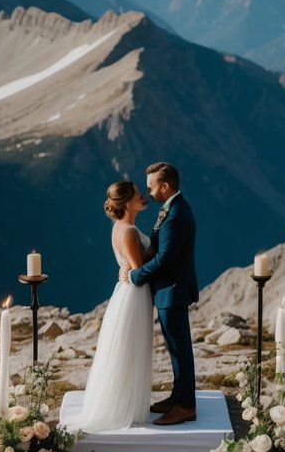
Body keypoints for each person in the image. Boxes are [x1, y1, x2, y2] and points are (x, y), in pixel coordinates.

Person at [68, 180, 153, 432]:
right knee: (131, 348)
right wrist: (161, 251)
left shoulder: (122, 227)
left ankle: (127, 402)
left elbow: (131, 263)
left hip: (127, 293)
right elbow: (140, 269)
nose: (143, 195)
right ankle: (125, 407)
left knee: (127, 348)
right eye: (138, 194)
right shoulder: (128, 231)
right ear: (127, 202)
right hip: (134, 294)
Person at [126, 162, 199, 426]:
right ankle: (178, 396)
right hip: (171, 288)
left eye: (152, 186)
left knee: (180, 350)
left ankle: (187, 406)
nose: (149, 191)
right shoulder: (172, 208)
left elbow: (166, 259)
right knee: (175, 348)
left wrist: (136, 276)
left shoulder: (176, 213)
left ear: (165, 186)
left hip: (173, 290)